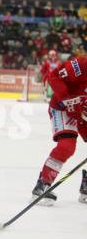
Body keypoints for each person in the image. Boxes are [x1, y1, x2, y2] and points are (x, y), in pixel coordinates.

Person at [31, 57, 87, 205]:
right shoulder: (80, 65)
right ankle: (43, 185)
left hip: (83, 112)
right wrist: (66, 99)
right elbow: (54, 76)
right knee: (66, 147)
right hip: (63, 109)